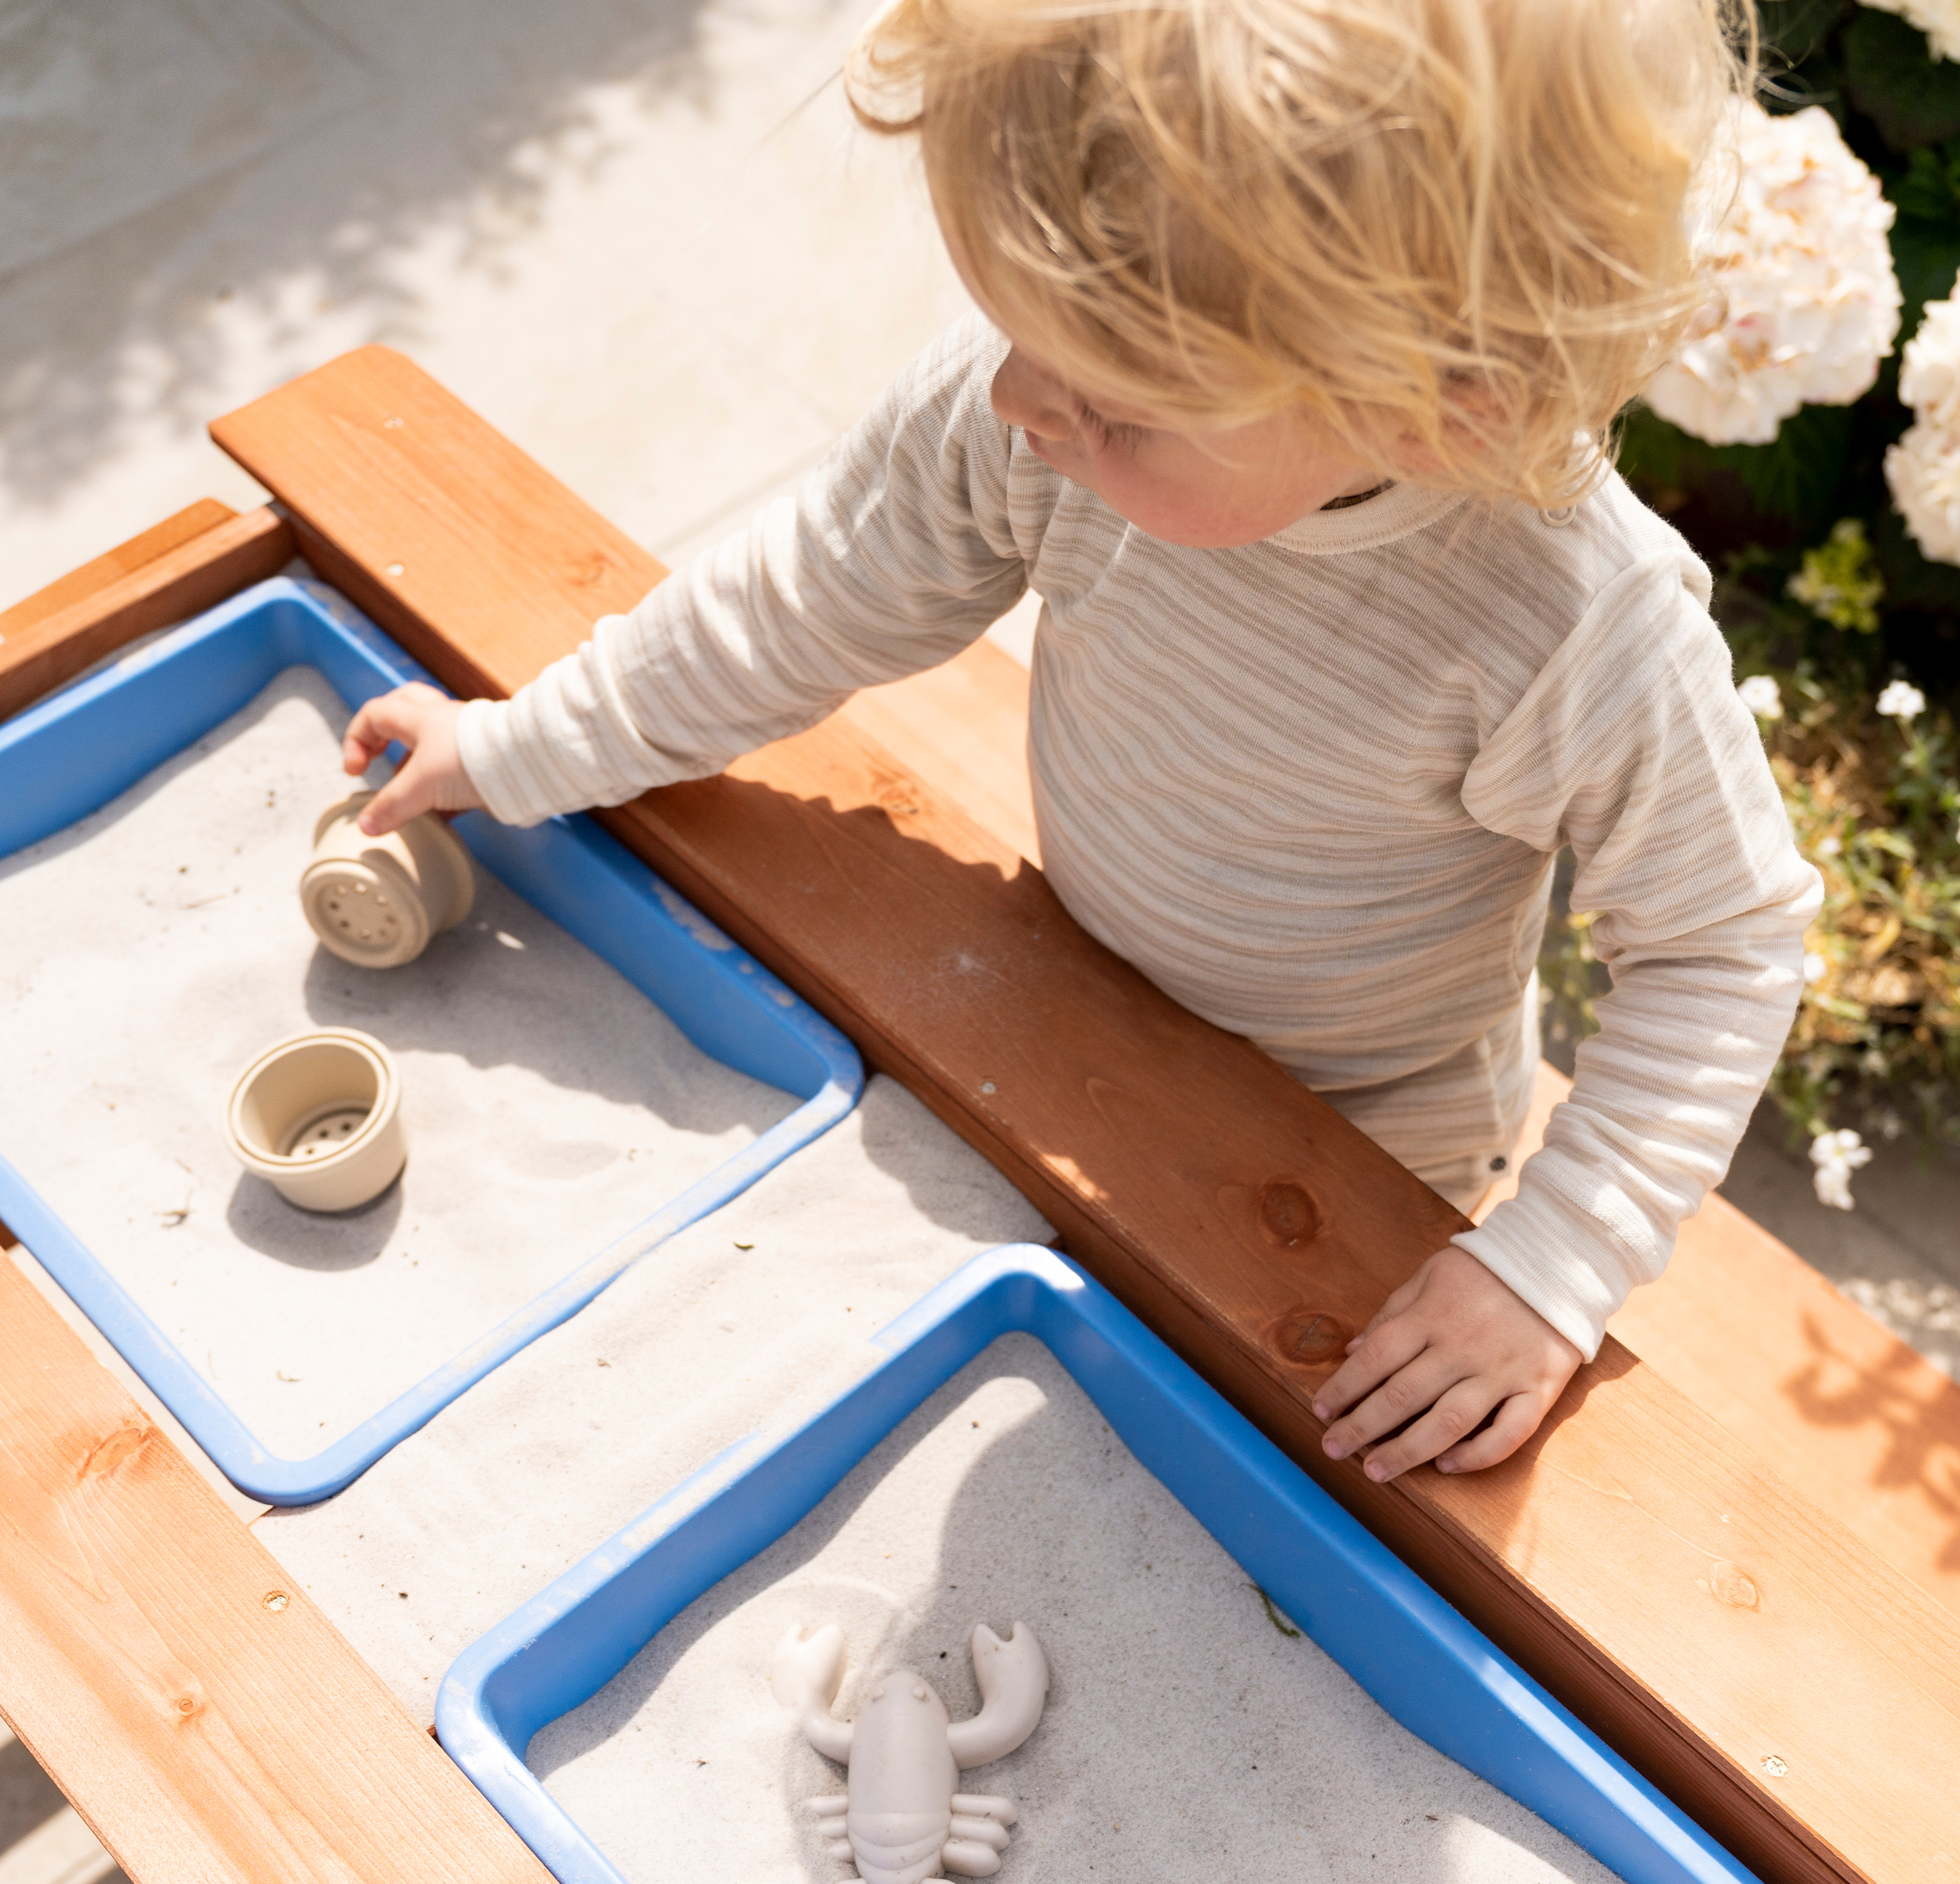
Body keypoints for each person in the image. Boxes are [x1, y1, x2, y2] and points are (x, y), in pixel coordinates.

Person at [340, 0, 1818, 1482]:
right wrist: (528, 746)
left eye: (1113, 402)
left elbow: (1724, 944)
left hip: (1362, 1140)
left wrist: (1549, 1262)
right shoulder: (1041, 399)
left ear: (1436, 404)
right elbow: (808, 595)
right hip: (1067, 1005)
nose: (1012, 398)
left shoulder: (1563, 617)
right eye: (1011, 326)